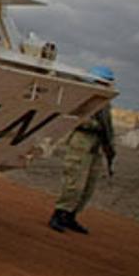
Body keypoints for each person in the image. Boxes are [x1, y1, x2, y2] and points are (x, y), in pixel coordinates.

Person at [49, 66, 117, 234]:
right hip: (82, 142)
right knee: (74, 183)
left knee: (88, 185)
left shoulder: (104, 103)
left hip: (96, 145)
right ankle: (59, 214)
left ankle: (71, 216)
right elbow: (75, 118)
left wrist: (109, 146)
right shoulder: (84, 97)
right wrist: (93, 125)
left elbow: (108, 127)